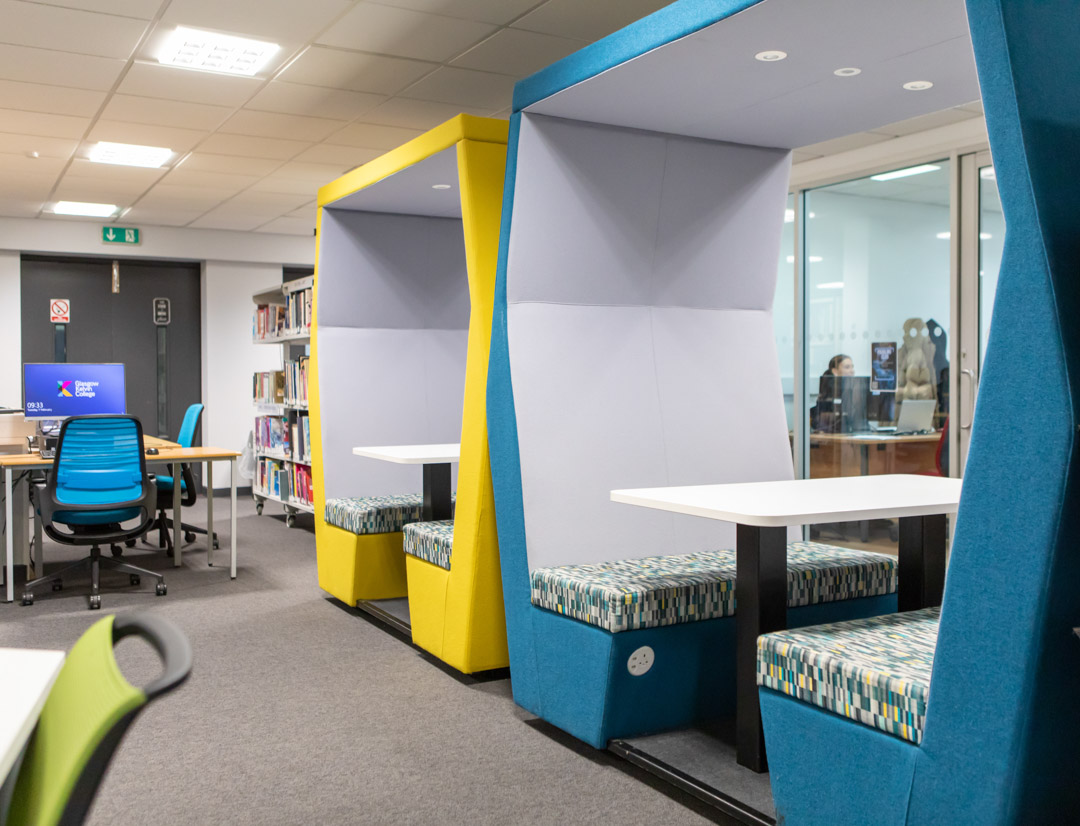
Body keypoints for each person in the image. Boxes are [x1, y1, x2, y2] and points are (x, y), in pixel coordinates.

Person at [811, 354, 854, 431]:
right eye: (847, 367)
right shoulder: (830, 390)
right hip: (832, 431)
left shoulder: (854, 389)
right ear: (835, 371)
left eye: (852, 367)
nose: (852, 371)